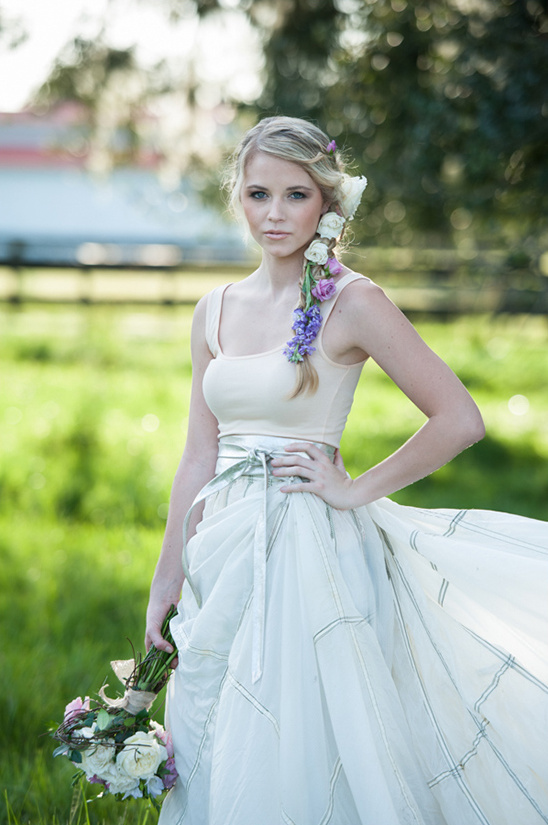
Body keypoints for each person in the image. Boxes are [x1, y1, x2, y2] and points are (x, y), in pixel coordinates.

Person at [145, 116, 548, 825]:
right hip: (220, 547)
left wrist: (352, 487)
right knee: (218, 721)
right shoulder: (213, 310)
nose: (275, 213)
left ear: (326, 202)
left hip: (311, 546)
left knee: (303, 726)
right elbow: (198, 456)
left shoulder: (352, 299)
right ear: (237, 196)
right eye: (258, 193)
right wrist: (165, 583)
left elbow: (460, 417)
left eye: (295, 195)